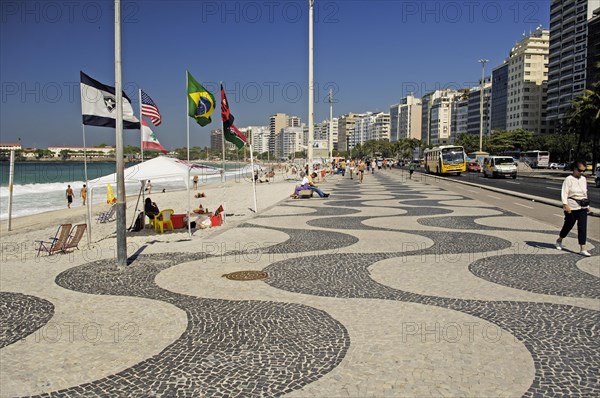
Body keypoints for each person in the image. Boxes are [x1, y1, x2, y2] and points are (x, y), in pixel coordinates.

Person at [555, 161, 592, 256]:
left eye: (584, 171)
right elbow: (564, 192)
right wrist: (565, 204)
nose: (582, 172)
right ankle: (560, 239)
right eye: (580, 170)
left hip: (582, 206)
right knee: (569, 225)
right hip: (571, 206)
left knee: (582, 227)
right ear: (574, 169)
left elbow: (585, 193)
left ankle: (582, 248)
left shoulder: (583, 179)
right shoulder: (568, 179)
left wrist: (587, 206)